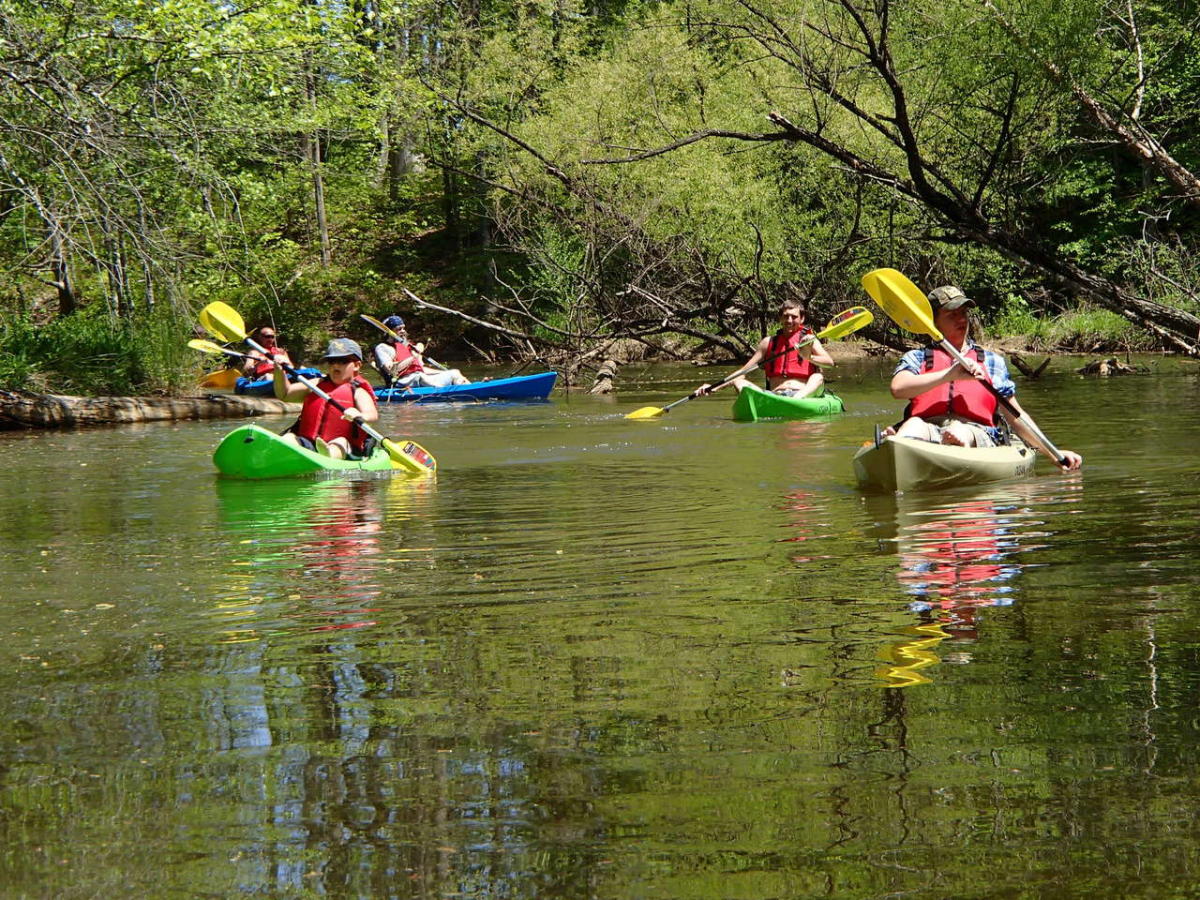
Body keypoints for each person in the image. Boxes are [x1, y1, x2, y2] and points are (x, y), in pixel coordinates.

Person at [887, 285, 1083, 470]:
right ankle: (899, 448)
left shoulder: (991, 361)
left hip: (976, 431)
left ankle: (954, 452)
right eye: (952, 314)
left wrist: (1054, 454)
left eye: (964, 313)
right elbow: (898, 388)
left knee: (959, 430)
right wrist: (949, 375)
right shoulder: (917, 357)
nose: (961, 320)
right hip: (929, 427)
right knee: (912, 425)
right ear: (934, 321)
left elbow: (1016, 416)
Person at [700, 298, 834, 399]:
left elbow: (829, 363)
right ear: (780, 318)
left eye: (794, 317)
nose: (789, 320)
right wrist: (713, 387)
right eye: (786, 316)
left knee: (817, 376)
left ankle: (795, 401)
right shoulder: (768, 342)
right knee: (738, 381)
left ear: (802, 319)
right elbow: (743, 371)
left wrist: (808, 357)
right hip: (774, 395)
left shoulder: (809, 340)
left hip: (802, 393)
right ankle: (766, 403)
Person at [273, 338, 379, 460]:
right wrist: (279, 371)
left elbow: (372, 415)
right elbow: (285, 394)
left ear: (356, 365)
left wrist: (359, 415)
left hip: (346, 450)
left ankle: (328, 455)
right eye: (331, 361)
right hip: (310, 444)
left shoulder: (358, 392)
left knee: (340, 442)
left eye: (342, 361)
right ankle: (279, 452)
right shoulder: (316, 384)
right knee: (289, 437)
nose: (335, 365)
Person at [371, 315, 469, 389]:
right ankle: (452, 390)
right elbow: (392, 371)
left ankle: (471, 387)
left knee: (454, 373)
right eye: (399, 329)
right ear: (390, 331)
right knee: (421, 377)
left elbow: (419, 369)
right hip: (402, 382)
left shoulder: (405, 345)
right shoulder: (382, 348)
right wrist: (414, 356)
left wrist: (444, 372)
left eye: (403, 328)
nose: (403, 331)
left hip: (418, 377)